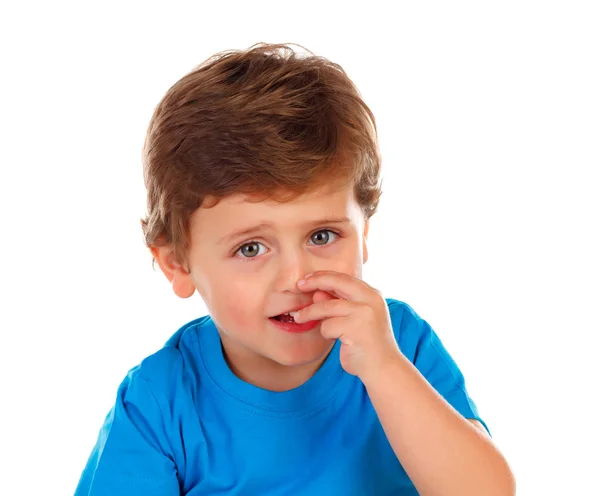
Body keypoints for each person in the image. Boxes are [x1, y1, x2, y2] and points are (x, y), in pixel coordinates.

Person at [75, 43, 515, 495]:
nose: (295, 278)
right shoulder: (159, 400)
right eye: (251, 249)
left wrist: (384, 368)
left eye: (322, 237)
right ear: (176, 263)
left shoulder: (399, 344)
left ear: (364, 233)